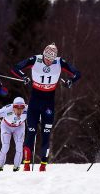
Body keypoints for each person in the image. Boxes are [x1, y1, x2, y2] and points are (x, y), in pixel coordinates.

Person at [12, 43, 81, 171]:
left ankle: (43, 166)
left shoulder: (60, 62)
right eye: (47, 58)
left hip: (48, 103)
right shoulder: (35, 59)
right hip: (34, 101)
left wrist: (71, 81)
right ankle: (26, 165)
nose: (49, 61)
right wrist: (24, 77)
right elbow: (15, 68)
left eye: (52, 59)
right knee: (31, 132)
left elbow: (77, 73)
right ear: (43, 55)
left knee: (46, 134)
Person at [0, 97, 28, 171]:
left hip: (19, 127)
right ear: (13, 107)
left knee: (19, 147)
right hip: (6, 126)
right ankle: (0, 167)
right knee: (5, 146)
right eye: (17, 108)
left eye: (21, 108)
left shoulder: (27, 109)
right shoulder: (6, 110)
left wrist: (37, 119)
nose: (19, 110)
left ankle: (16, 167)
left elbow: (37, 114)